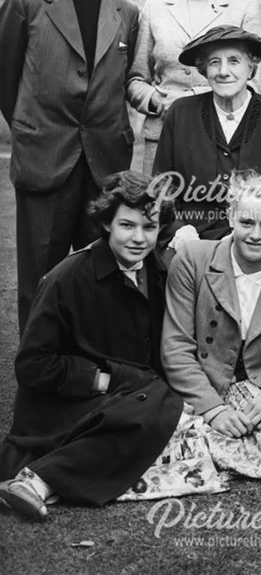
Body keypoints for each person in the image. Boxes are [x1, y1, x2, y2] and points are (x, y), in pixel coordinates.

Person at [0, 171, 182, 520]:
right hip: (64, 404)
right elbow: (33, 365)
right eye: (127, 226)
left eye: (150, 227)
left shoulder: (158, 273)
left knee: (160, 403)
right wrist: (102, 380)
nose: (139, 238)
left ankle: (41, 481)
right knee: (153, 406)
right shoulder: (65, 278)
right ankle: (36, 482)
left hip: (129, 397)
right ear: (106, 224)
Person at [0, 0, 140, 334]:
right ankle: (39, 374)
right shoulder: (26, 2)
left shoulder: (127, 13)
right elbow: (7, 81)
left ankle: (90, 369)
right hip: (45, 159)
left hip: (103, 165)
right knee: (40, 279)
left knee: (101, 274)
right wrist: (32, 127)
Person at [160, 172, 261, 479]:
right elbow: (175, 347)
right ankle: (198, 440)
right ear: (230, 217)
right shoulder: (192, 258)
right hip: (203, 383)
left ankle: (200, 453)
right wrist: (213, 410)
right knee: (158, 430)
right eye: (247, 223)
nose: (256, 234)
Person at [128, 0, 261, 172]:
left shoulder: (245, 9)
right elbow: (136, 80)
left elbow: (253, 83)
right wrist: (156, 101)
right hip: (162, 135)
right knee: (161, 209)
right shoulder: (155, 7)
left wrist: (187, 101)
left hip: (223, 137)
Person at [153, 26, 261, 240]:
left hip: (256, 240)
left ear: (251, 68)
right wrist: (180, 230)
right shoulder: (180, 113)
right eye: (214, 62)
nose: (223, 71)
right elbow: (163, 187)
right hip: (190, 239)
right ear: (204, 70)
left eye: (234, 61)